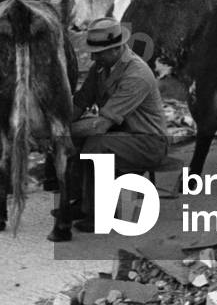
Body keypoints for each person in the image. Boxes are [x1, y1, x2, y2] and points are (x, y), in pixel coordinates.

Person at [62, 17, 168, 230]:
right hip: (121, 134)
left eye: (98, 53)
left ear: (116, 49)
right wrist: (60, 124)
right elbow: (81, 102)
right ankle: (81, 203)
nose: (93, 57)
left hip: (148, 142)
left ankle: (97, 213)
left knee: (96, 145)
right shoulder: (101, 68)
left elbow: (101, 125)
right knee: (76, 141)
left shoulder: (136, 74)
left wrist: (61, 131)